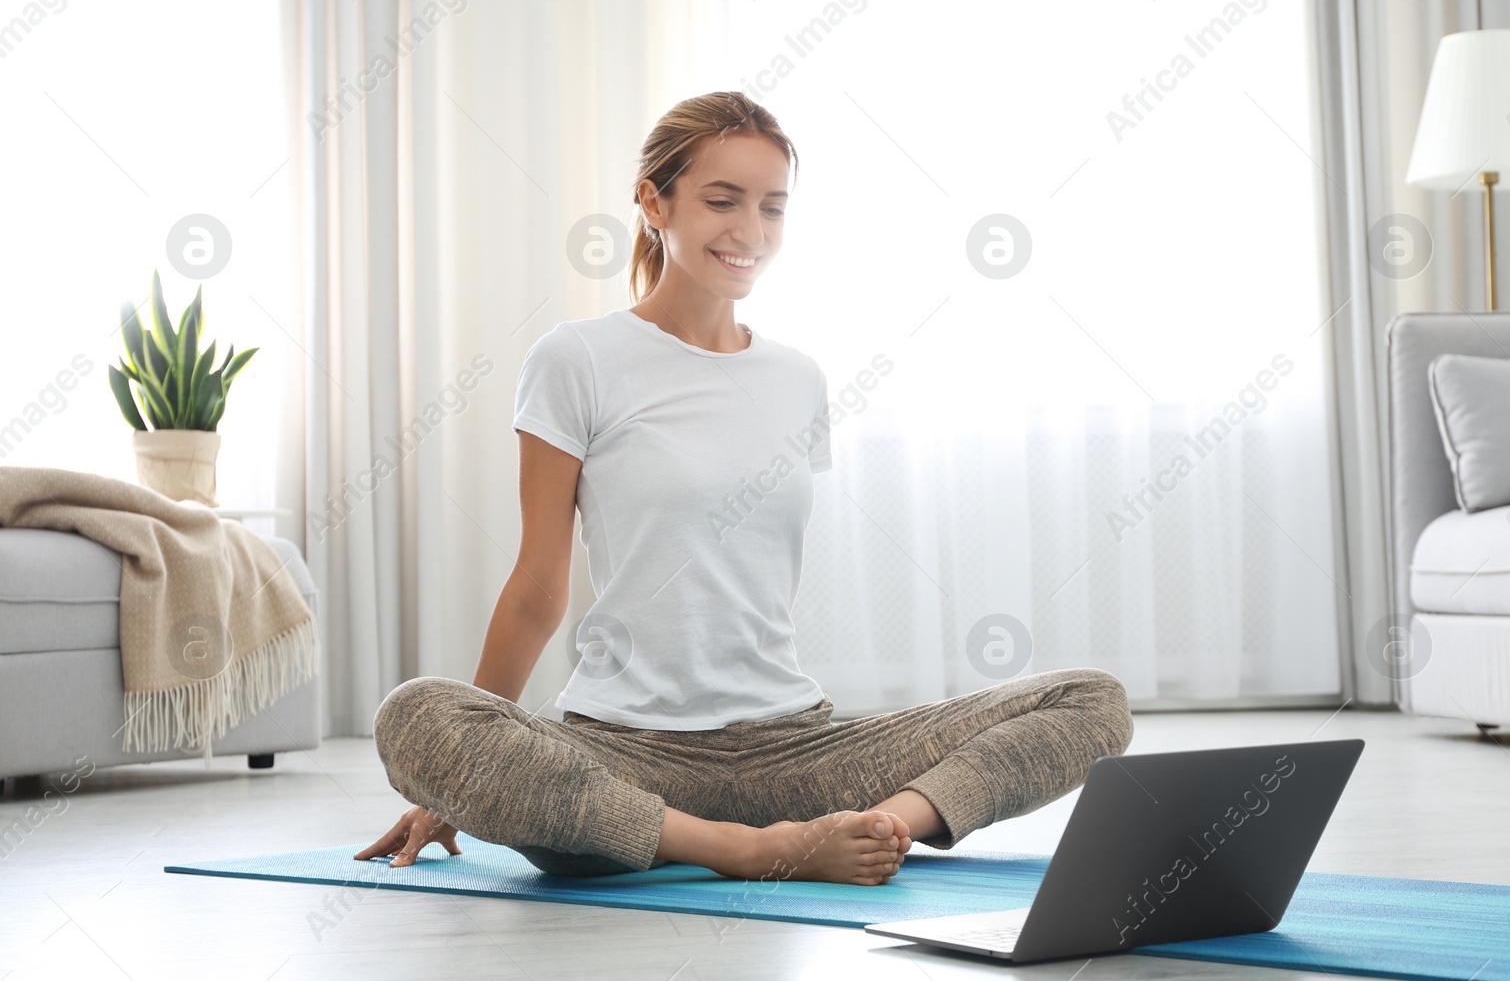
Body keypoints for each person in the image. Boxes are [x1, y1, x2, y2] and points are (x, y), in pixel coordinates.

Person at [359, 91, 1134, 885]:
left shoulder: (797, 378)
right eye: (722, 201)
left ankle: (874, 829)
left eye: (772, 208)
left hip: (792, 748)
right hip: (626, 752)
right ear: (653, 202)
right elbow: (537, 588)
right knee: (416, 714)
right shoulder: (577, 360)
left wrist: (859, 810)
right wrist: (456, 774)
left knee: (1092, 700)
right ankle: (751, 850)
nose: (750, 232)